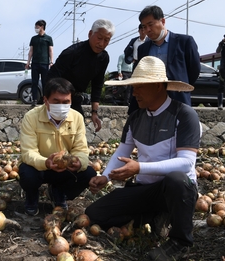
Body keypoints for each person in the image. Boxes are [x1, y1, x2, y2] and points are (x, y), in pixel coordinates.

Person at [86, 56, 200, 260]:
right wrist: (106, 176)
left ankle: (180, 242)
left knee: (177, 180)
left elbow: (186, 163)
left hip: (174, 191)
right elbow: (123, 151)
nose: (134, 92)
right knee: (94, 214)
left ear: (157, 86)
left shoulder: (184, 115)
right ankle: (153, 218)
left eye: (139, 87)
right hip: (144, 189)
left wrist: (140, 168)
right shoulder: (135, 118)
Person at [18, 77, 97, 216]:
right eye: (56, 101)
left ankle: (58, 192)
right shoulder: (31, 117)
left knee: (88, 173)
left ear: (71, 101)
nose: (62, 106)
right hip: (40, 167)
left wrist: (79, 162)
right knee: (26, 172)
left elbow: (81, 149)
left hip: (64, 168)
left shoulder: (77, 118)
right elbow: (28, 152)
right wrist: (46, 162)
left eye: (66, 102)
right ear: (46, 100)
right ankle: (31, 195)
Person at [128, 5, 200, 114]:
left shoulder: (184, 42)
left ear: (162, 21)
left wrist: (179, 85)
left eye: (150, 25)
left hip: (178, 101)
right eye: (144, 27)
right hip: (151, 105)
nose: (147, 30)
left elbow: (194, 70)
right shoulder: (143, 49)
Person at [47, 19, 115, 132]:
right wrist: (51, 103)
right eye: (99, 38)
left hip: (76, 100)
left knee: (78, 133)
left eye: (106, 40)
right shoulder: (72, 53)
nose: (102, 43)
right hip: (59, 100)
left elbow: (97, 85)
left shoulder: (103, 58)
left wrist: (94, 112)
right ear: (90, 34)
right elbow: (50, 78)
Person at [25, 20, 54, 108]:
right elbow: (31, 51)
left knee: (45, 82)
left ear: (42, 27)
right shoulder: (34, 38)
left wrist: (51, 61)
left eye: (37, 27)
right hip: (35, 63)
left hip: (45, 63)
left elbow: (50, 50)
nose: (36, 29)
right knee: (34, 82)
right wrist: (28, 62)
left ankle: (46, 99)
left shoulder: (48, 38)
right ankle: (34, 99)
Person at [215, 36, 225, 110]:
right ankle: (220, 104)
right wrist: (221, 43)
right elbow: (217, 51)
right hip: (223, 68)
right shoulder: (222, 44)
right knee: (221, 86)